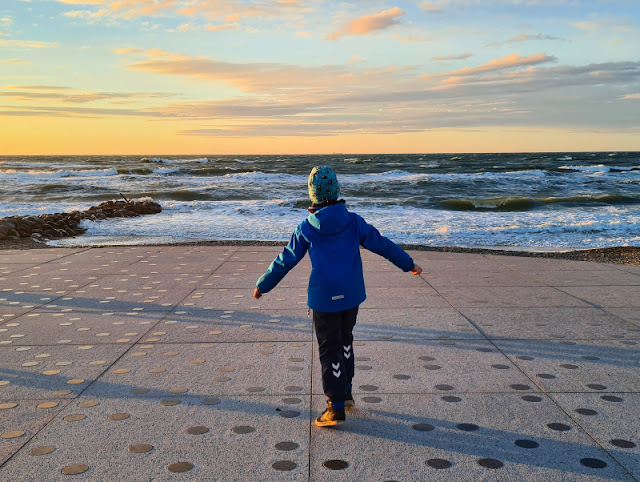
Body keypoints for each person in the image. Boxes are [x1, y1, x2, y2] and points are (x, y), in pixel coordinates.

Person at [253, 166, 422, 427]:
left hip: (323, 299)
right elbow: (383, 244)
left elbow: (285, 260)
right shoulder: (354, 222)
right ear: (337, 190)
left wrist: (263, 285)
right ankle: (346, 391)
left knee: (329, 348)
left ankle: (335, 406)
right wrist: (408, 264)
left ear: (313, 194)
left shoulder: (306, 228)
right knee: (345, 341)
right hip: (351, 295)